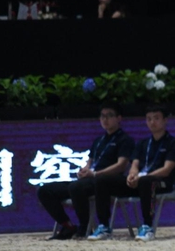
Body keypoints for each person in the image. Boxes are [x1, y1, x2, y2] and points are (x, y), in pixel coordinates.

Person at [39, 103, 135, 240]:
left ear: (119, 118)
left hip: (106, 181)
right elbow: (89, 163)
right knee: (45, 190)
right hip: (89, 179)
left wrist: (95, 174)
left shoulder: (125, 140)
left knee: (76, 187)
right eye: (102, 116)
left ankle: (85, 227)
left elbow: (121, 165)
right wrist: (84, 171)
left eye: (109, 116)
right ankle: (68, 226)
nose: (105, 119)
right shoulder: (98, 140)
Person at [89, 105, 175, 242]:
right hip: (140, 182)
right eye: (149, 119)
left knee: (147, 182)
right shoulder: (143, 143)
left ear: (165, 120)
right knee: (103, 180)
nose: (152, 122)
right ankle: (103, 226)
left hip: (162, 183)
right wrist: (132, 175)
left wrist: (142, 177)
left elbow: (166, 169)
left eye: (156, 118)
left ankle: (147, 227)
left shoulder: (174, 143)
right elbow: (134, 165)